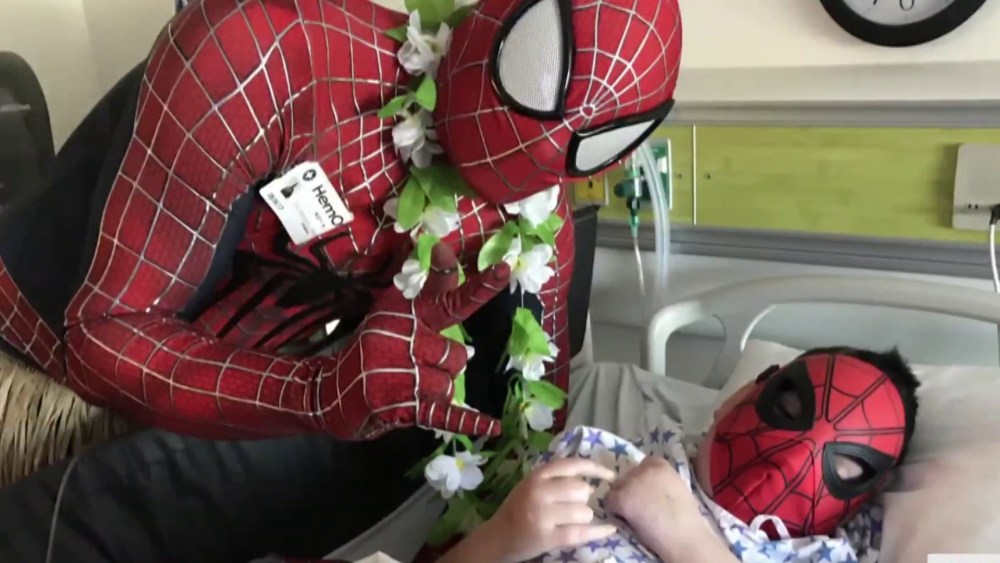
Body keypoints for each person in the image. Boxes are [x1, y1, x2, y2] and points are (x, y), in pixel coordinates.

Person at [0, 0, 683, 560]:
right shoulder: (264, 52)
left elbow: (534, 424)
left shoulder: (535, 225)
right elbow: (100, 332)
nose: (544, 143)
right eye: (543, 70)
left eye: (592, 138)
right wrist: (320, 392)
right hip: (35, 366)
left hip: (215, 402)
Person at [434, 346, 920, 563]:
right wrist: (498, 540)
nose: (793, 460)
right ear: (741, 395)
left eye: (845, 466)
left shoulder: (826, 555)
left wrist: (687, 541)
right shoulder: (594, 461)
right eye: (789, 409)